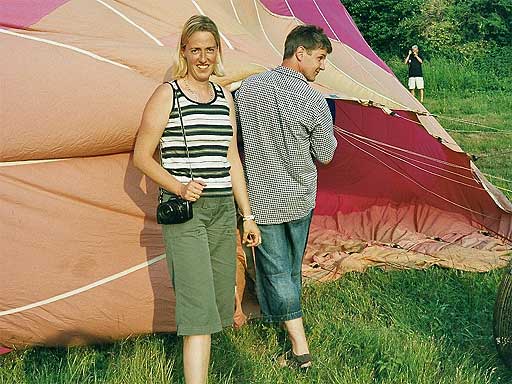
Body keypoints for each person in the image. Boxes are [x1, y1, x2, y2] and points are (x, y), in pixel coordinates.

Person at [133, 15, 261, 384]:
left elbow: (231, 158)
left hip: (223, 210)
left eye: (210, 50)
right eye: (196, 51)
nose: (203, 58)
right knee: (197, 307)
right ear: (184, 53)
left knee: (221, 301)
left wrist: (247, 215)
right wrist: (177, 185)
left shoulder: (225, 98)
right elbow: (142, 156)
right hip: (187, 211)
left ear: (218, 52)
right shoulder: (167, 94)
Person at [235, 25, 337, 369]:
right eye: (320, 58)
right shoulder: (314, 100)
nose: (322, 66)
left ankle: (285, 321)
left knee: (277, 270)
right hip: (300, 197)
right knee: (289, 269)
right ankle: (300, 349)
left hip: (261, 197)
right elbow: (325, 155)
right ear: (300, 53)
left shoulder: (246, 89)